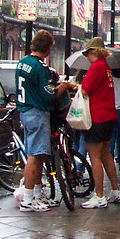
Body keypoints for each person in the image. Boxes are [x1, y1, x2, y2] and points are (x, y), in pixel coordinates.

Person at [15, 29, 73, 212]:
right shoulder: (39, 67)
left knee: (38, 155)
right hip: (37, 112)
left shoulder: (22, 62)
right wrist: (64, 86)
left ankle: (38, 194)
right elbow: (49, 95)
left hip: (25, 110)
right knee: (35, 155)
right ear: (47, 49)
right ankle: (28, 198)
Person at [79, 37, 120, 208]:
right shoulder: (106, 67)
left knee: (95, 156)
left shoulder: (96, 67)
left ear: (93, 52)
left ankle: (99, 196)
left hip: (97, 116)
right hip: (109, 115)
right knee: (106, 154)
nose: (87, 57)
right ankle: (115, 190)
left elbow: (85, 90)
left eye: (87, 53)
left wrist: (75, 85)